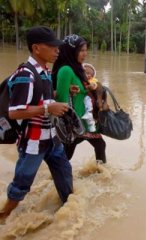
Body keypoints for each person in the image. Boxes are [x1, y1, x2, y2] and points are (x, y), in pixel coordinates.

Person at [0, 26, 73, 219]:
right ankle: (4, 214)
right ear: (36, 48)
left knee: (65, 174)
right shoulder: (26, 74)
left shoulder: (45, 72)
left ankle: (69, 211)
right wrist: (49, 109)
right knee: (22, 183)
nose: (57, 50)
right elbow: (15, 112)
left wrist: (57, 98)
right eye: (52, 46)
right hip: (33, 143)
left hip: (51, 139)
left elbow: (41, 98)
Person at [52, 34, 107, 164]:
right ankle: (57, 177)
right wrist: (69, 125)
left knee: (99, 145)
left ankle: (101, 174)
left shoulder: (77, 68)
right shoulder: (66, 70)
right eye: (81, 50)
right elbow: (61, 98)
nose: (85, 54)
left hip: (83, 119)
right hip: (75, 122)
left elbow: (80, 90)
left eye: (85, 50)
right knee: (67, 154)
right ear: (72, 51)